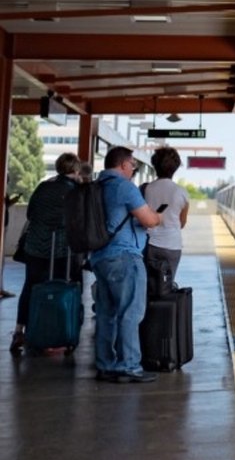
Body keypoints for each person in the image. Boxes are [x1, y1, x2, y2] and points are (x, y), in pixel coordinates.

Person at [90, 146, 164, 383]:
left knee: (105, 313)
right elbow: (149, 220)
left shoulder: (96, 187)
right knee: (131, 312)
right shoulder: (124, 187)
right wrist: (158, 216)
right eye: (133, 164)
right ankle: (130, 366)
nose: (133, 169)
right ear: (123, 164)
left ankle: (105, 365)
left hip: (100, 258)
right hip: (124, 258)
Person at [9, 153, 81, 354]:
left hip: (35, 247)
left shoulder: (43, 186)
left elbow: (31, 214)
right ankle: (59, 332)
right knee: (61, 288)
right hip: (61, 249)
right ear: (75, 170)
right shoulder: (74, 191)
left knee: (31, 287)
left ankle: (19, 331)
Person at [142, 147, 190, 286]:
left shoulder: (147, 189)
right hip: (172, 245)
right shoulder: (181, 192)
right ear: (175, 168)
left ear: (155, 165)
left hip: (149, 244)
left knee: (148, 285)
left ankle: (148, 307)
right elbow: (182, 223)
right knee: (166, 286)